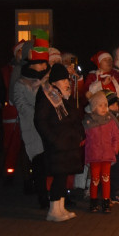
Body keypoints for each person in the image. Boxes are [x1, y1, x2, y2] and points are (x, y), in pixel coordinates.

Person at [34, 62, 84, 222]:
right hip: (57, 144)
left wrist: (78, 134)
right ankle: (54, 210)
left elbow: (73, 116)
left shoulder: (64, 97)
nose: (67, 83)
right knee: (58, 176)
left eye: (67, 80)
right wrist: (54, 139)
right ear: (54, 82)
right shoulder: (47, 96)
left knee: (63, 176)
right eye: (63, 80)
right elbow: (40, 121)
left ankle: (61, 208)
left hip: (68, 143)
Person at [10, 35, 51, 209]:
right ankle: (43, 196)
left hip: (50, 128)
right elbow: (21, 104)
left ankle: (55, 194)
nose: (44, 66)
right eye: (41, 63)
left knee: (52, 163)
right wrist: (39, 115)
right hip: (34, 129)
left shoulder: (49, 80)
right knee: (39, 164)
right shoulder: (21, 83)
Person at [83, 87, 119, 213]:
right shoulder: (88, 122)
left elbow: (116, 136)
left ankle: (106, 200)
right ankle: (93, 201)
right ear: (94, 107)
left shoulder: (110, 121)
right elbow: (84, 138)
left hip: (107, 155)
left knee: (106, 178)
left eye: (105, 105)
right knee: (95, 179)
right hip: (94, 156)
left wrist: (114, 149)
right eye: (100, 105)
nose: (104, 108)